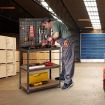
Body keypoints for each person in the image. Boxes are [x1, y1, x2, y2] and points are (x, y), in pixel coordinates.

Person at [41, 17, 75, 89]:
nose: (45, 27)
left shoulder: (54, 24)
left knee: (68, 61)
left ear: (47, 22)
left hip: (67, 41)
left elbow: (56, 35)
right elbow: (57, 35)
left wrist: (50, 38)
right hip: (65, 42)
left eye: (44, 25)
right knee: (64, 59)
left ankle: (68, 81)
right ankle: (63, 76)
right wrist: (53, 40)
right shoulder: (55, 25)